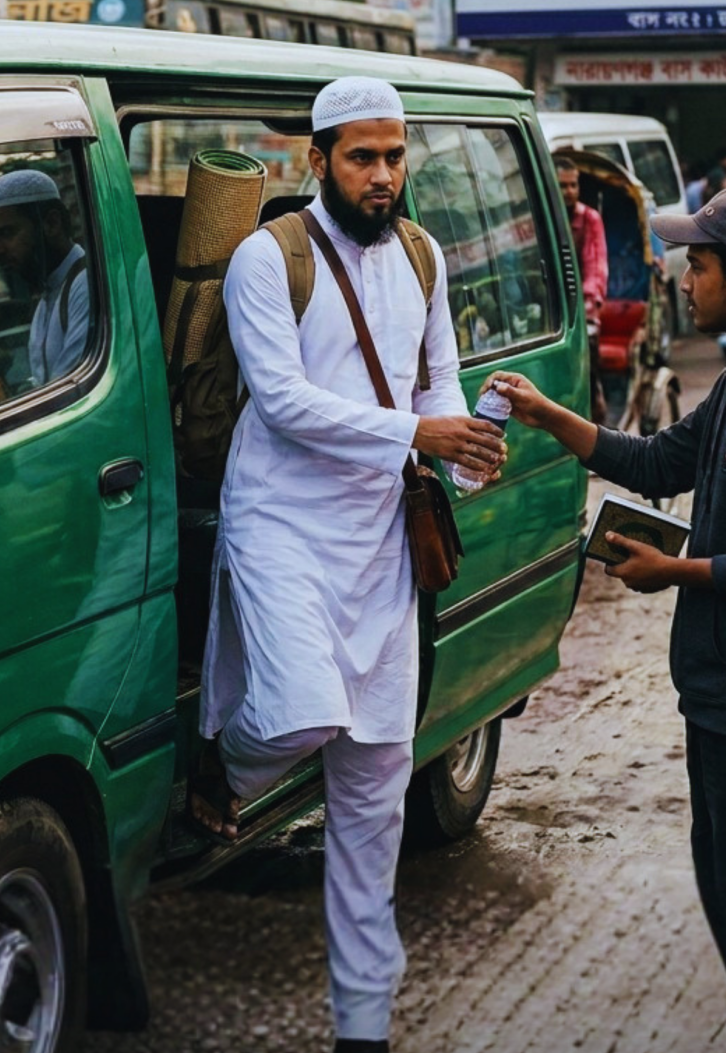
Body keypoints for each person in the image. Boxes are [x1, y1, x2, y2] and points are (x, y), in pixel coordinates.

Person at [488, 187, 726, 1053]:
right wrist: (550, 419)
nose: (682, 277)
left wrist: (675, 572)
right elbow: (657, 462)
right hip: (724, 686)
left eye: (696, 264)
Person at [192, 76, 504, 1053]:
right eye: (362, 156)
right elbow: (281, 401)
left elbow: (438, 369)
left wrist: (462, 438)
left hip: (379, 546)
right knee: (299, 710)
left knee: (373, 807)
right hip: (280, 526)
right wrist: (420, 426)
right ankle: (217, 767)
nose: (382, 174)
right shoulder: (265, 257)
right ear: (317, 158)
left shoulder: (420, 252)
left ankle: (360, 1029)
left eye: (394, 155)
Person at [0, 168, 93, 386]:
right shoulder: (45, 303)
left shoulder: (86, 285)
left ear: (51, 224)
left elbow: (68, 396)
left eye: (6, 233)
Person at [556, 155, 610, 421]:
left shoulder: (589, 219)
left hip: (583, 311)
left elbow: (596, 267)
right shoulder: (546, 218)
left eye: (573, 185)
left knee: (586, 374)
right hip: (555, 312)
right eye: (563, 186)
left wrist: (587, 306)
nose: (570, 192)